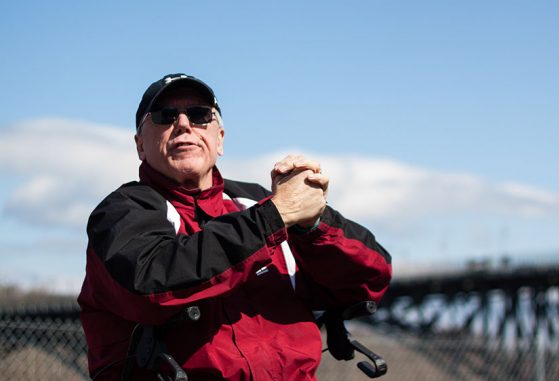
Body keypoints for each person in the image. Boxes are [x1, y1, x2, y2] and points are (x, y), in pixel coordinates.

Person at [77, 73, 392, 381]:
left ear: (220, 139)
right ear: (140, 145)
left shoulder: (259, 203)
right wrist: (272, 218)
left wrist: (312, 224)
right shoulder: (121, 212)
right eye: (165, 115)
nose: (184, 124)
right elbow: (152, 281)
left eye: (200, 115)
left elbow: (371, 277)